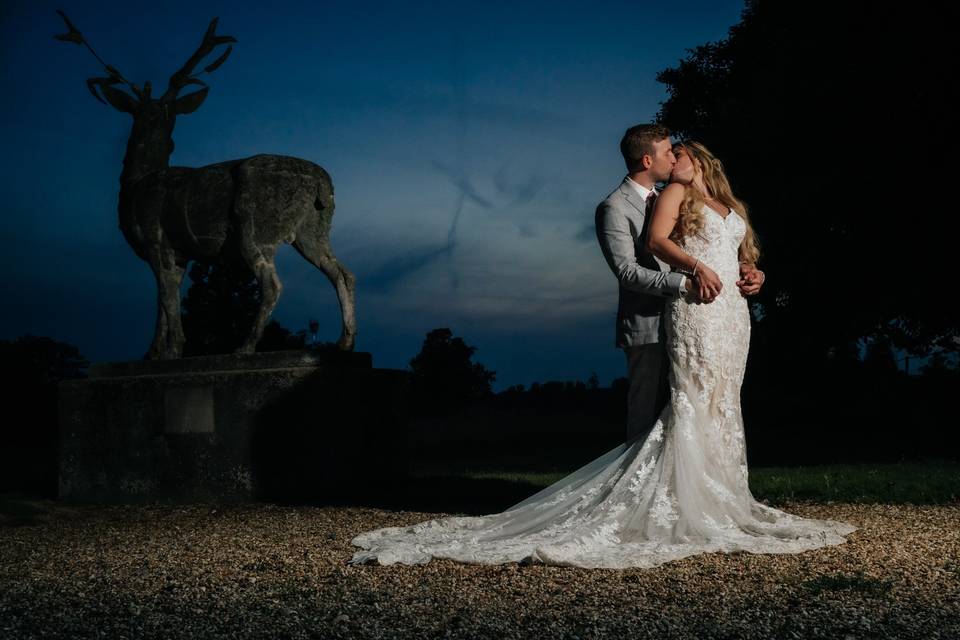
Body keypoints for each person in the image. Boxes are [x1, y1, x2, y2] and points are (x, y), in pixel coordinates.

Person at [346, 131, 856, 569]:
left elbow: (741, 252)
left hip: (729, 316)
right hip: (680, 312)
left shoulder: (724, 205)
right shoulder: (637, 203)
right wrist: (690, 274)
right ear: (649, 160)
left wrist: (753, 274)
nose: (671, 160)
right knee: (674, 412)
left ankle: (720, 498)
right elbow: (638, 263)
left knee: (722, 403)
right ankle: (649, 511)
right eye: (666, 153)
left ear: (698, 160)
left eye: (678, 153)